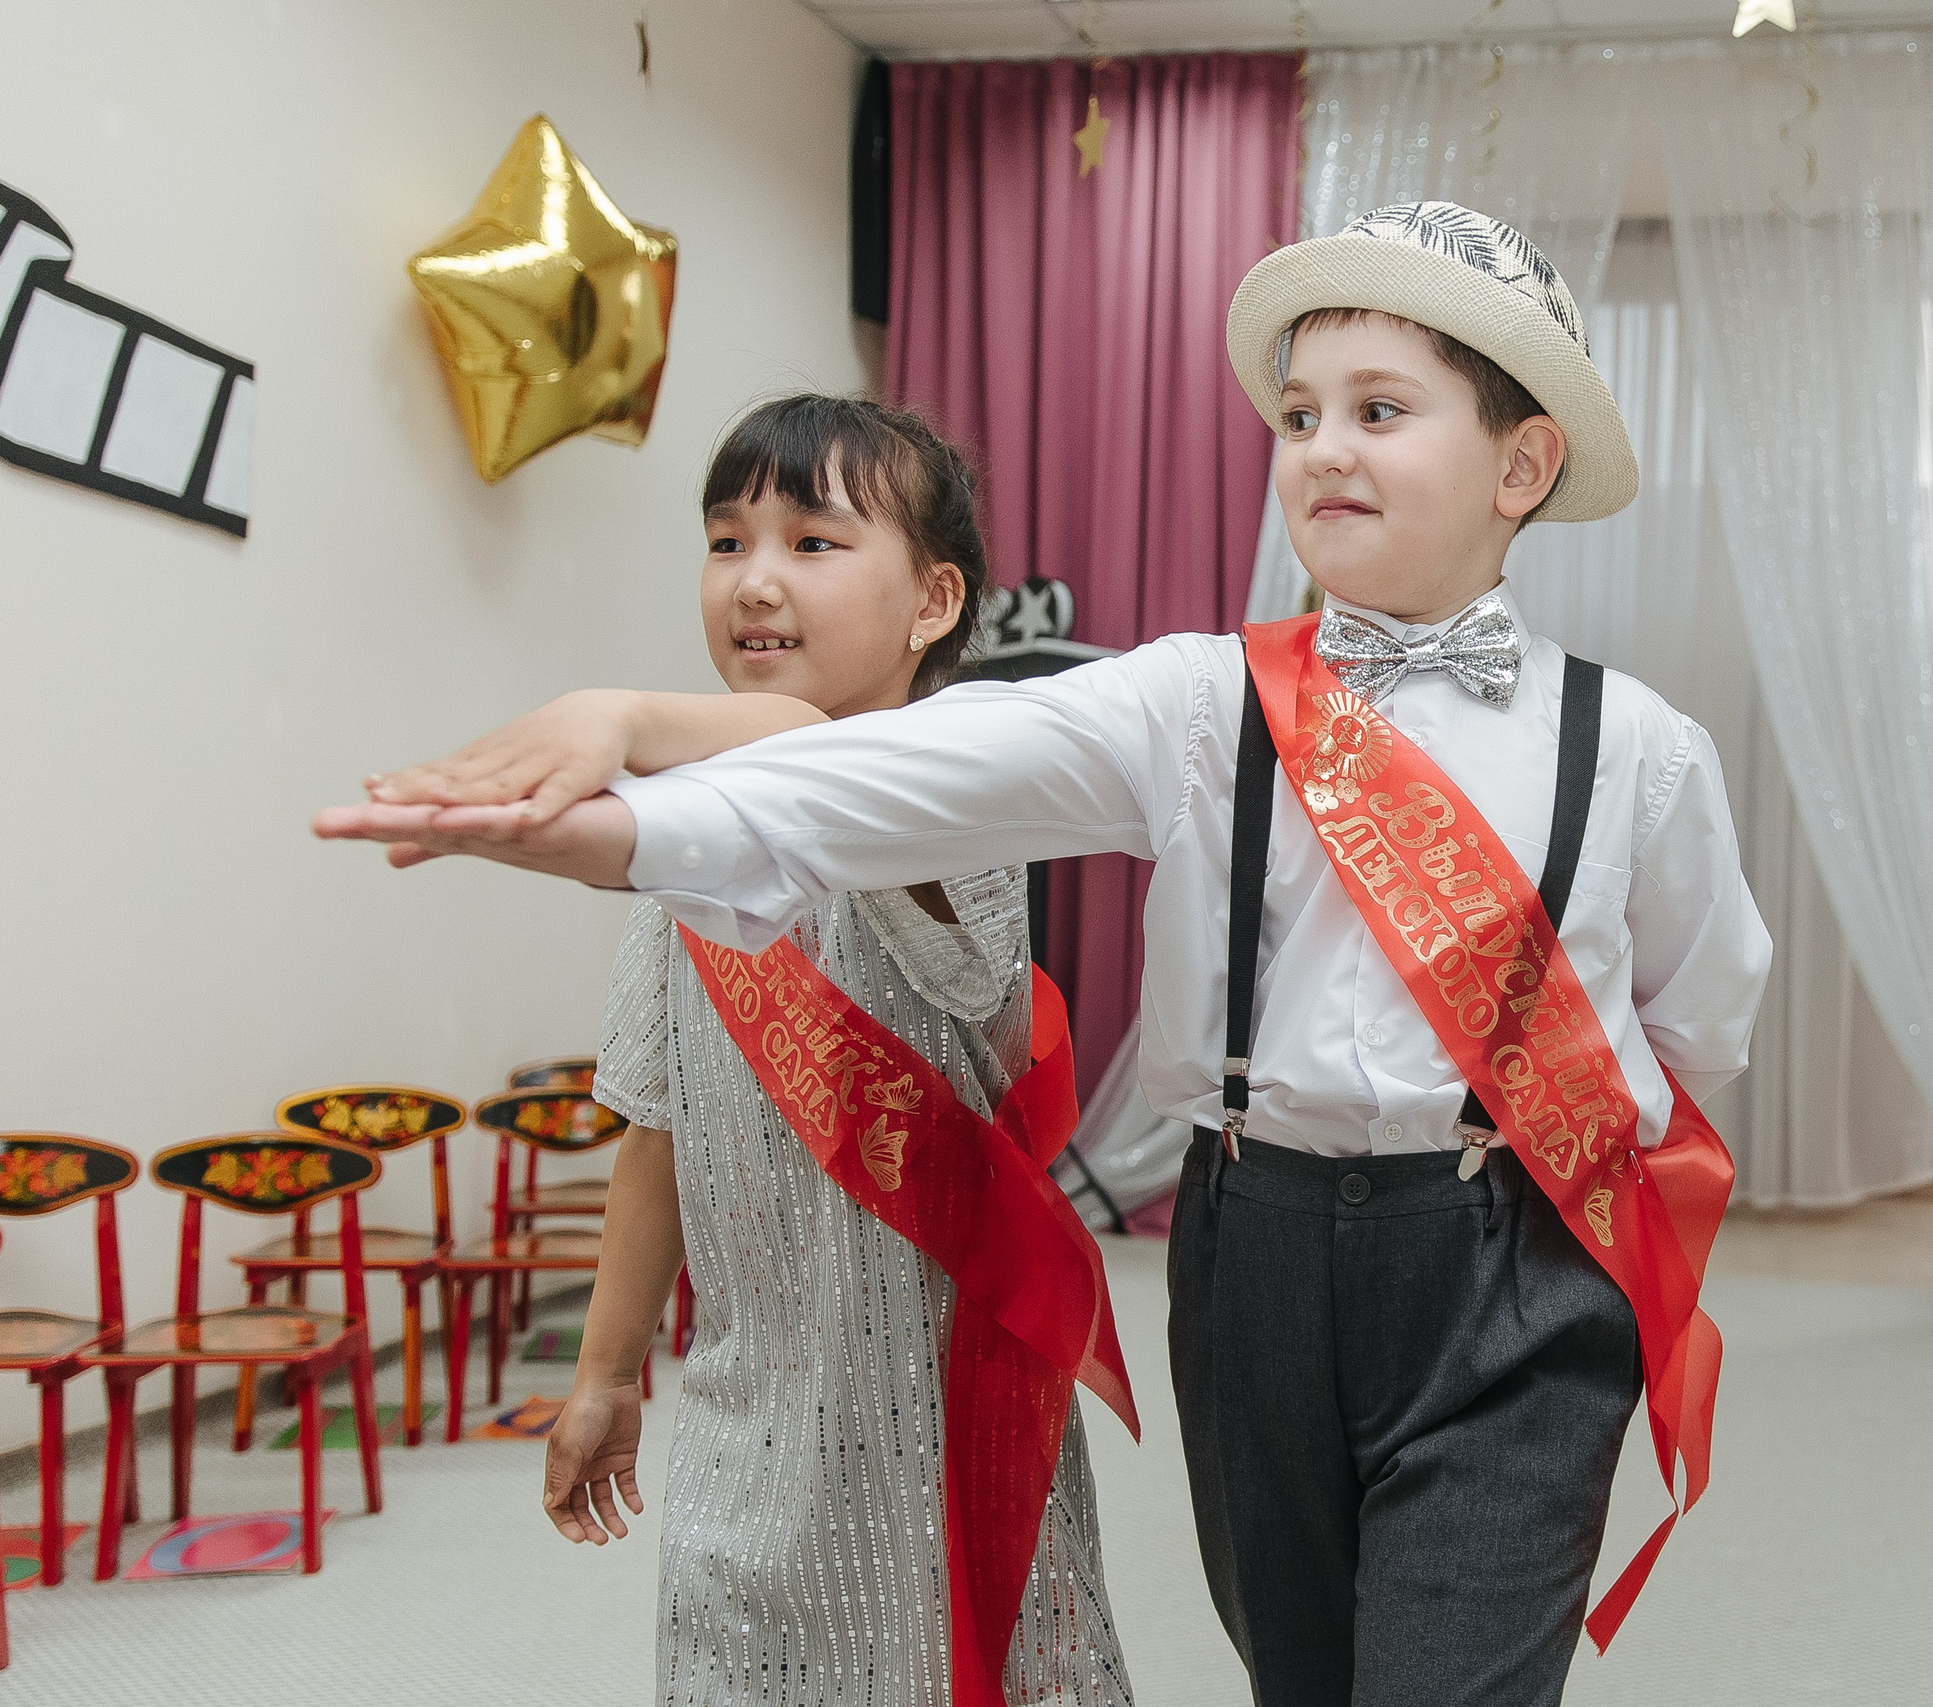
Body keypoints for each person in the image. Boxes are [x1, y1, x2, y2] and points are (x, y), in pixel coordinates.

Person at [323, 202, 1770, 1707]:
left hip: (1513, 1269)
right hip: (1257, 1254)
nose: (1324, 449)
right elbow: (902, 769)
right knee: (1308, 1673)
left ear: (1522, 465)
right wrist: (616, 801)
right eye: (1298, 415)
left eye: (1380, 412)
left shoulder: (1641, 751)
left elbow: (1698, 1026)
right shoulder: (1199, 704)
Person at [368, 394, 1133, 1707]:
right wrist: (605, 1371)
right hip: (747, 1412)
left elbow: (827, 763)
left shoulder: (968, 791)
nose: (754, 580)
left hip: (943, 1410)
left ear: (934, 601)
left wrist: (621, 716)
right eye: (727, 541)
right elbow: (656, 1130)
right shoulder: (680, 842)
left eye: (812, 543)